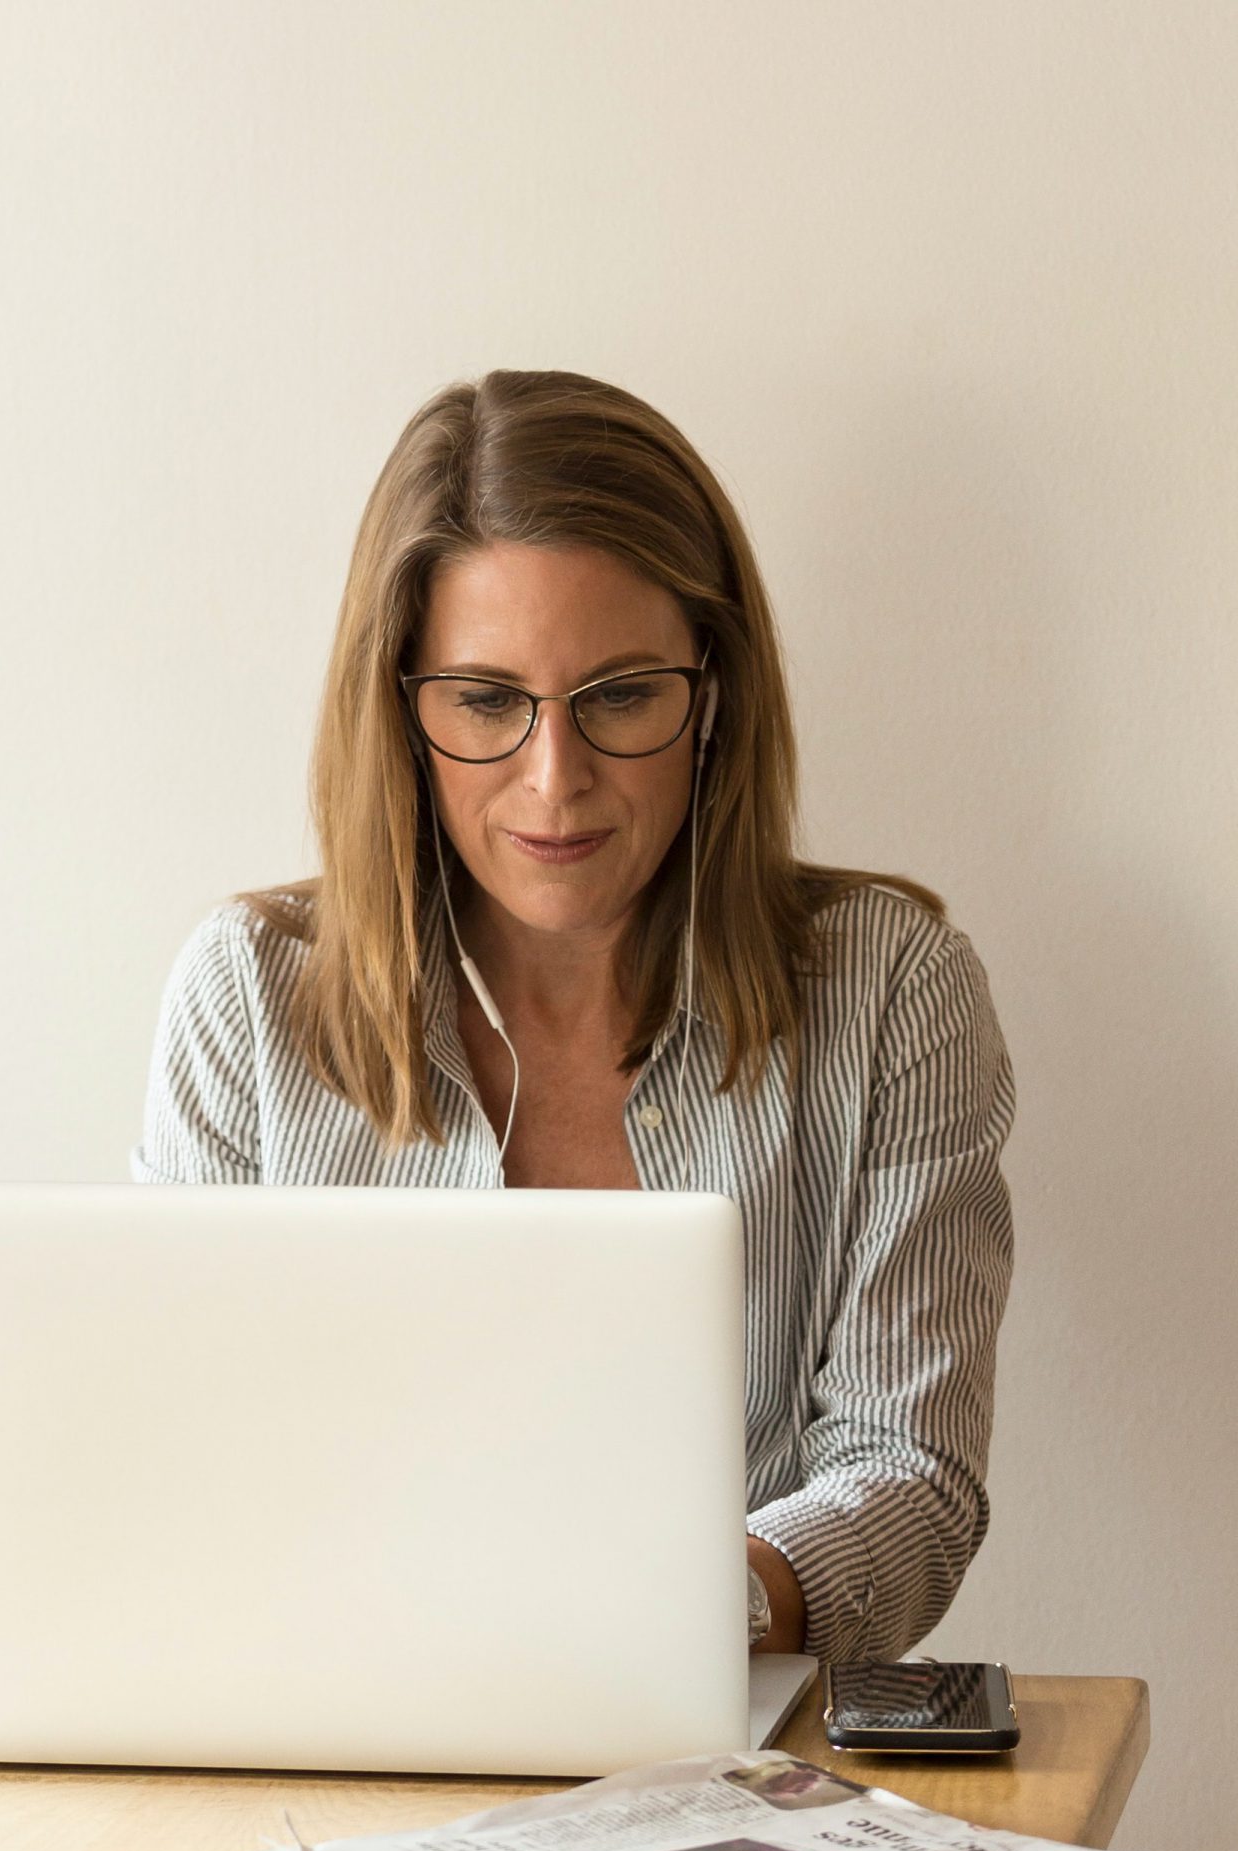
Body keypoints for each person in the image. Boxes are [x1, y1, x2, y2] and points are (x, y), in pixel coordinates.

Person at [131, 369, 1013, 1664]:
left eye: (619, 696)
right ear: (401, 708)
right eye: (487, 702)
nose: (556, 780)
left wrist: (683, 1611)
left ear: (712, 691)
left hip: (732, 1755)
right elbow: (179, 1466)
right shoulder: (248, 995)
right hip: (329, 1734)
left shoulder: (891, 989)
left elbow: (911, 1477)